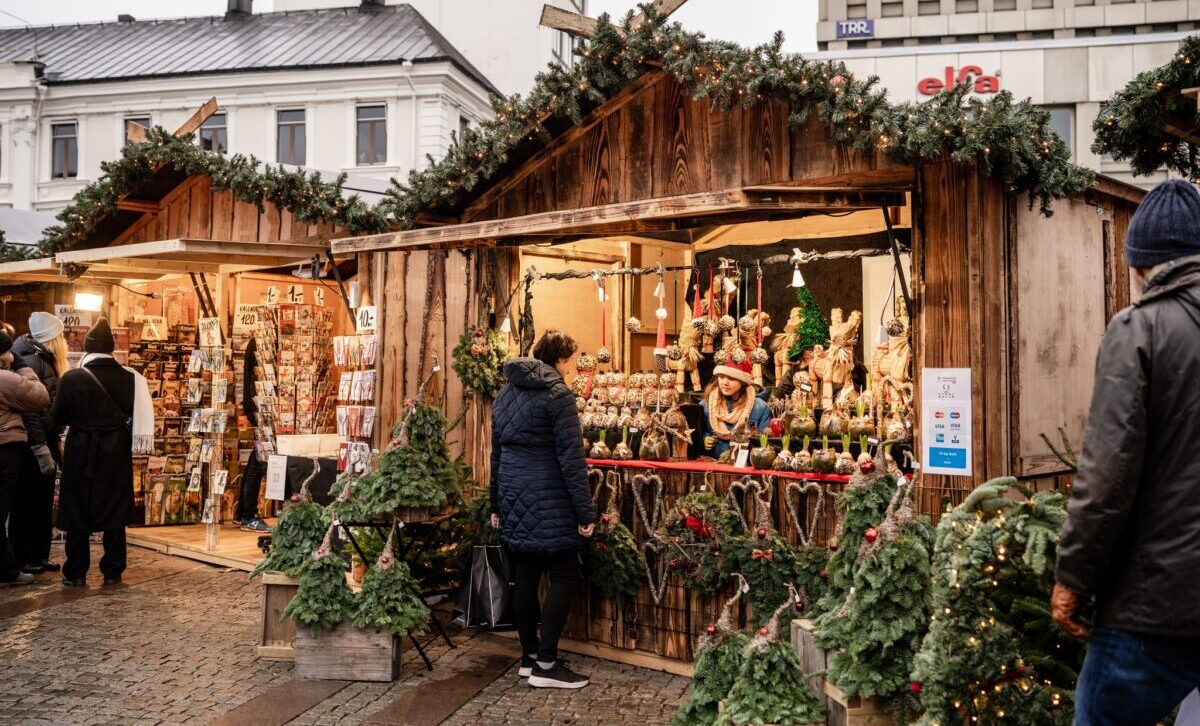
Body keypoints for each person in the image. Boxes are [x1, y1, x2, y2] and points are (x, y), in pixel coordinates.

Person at [1053, 178, 1200, 725]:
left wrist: (1072, 580)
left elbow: (1106, 478)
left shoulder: (1139, 329)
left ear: (1139, 266)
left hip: (1154, 608)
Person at [489, 329, 595, 689]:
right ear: (561, 359)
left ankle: (529, 657)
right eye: (572, 360)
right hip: (549, 496)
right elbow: (571, 459)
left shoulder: (505, 393)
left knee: (526, 574)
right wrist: (585, 513)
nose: (573, 367)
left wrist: (496, 503)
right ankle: (546, 665)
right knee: (565, 575)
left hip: (514, 493)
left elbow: (496, 454)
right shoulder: (558, 395)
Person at [52, 318, 153, 587]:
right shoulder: (131, 379)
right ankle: (112, 571)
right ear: (111, 349)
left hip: (80, 449)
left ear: (87, 348)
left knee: (77, 509)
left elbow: (58, 417)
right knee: (114, 509)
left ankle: (75, 571)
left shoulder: (71, 378)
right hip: (115, 450)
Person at [11, 311, 69, 574]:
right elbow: (30, 410)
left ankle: (37, 554)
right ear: (53, 338)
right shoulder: (33, 362)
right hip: (34, 443)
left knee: (42, 498)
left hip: (44, 438)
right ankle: (25, 556)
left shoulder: (42, 360)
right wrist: (40, 445)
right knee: (28, 499)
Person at [0, 330, 51, 586]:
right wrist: (21, 366)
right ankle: (8, 571)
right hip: (4, 449)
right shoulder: (5, 379)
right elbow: (39, 395)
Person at [700, 357, 772, 458]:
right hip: (712, 463)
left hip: (744, 464)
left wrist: (738, 449)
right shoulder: (706, 404)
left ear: (743, 381)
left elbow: (763, 443)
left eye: (731, 378)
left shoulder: (760, 407)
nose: (725, 383)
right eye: (721, 377)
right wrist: (704, 439)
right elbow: (697, 435)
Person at [235, 336, 269, 532]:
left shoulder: (255, 341)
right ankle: (249, 515)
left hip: (255, 408)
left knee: (256, 459)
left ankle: (243, 512)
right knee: (259, 461)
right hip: (259, 409)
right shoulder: (260, 342)